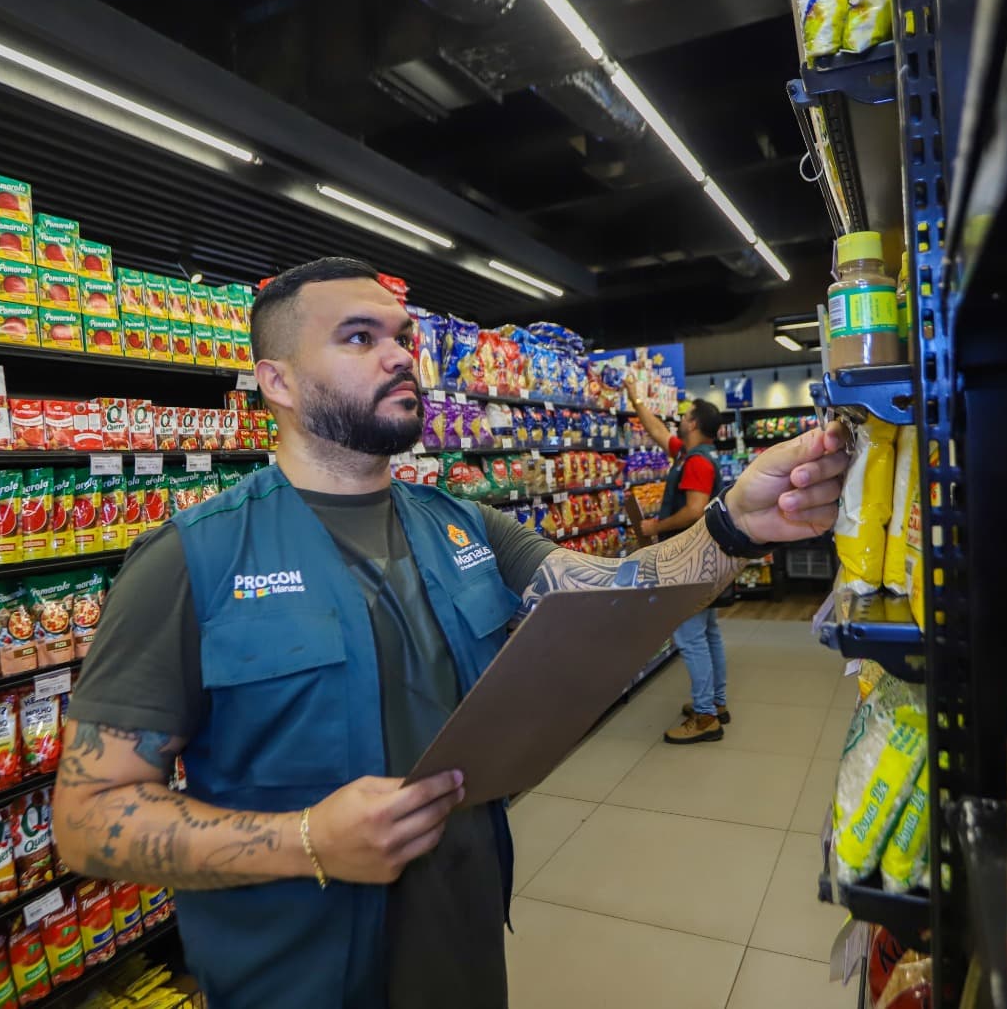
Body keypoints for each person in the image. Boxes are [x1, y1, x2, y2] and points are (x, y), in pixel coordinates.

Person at [53, 257, 848, 1009]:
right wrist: (306, 841)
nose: (401, 356)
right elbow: (88, 821)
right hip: (292, 972)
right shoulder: (191, 559)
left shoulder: (462, 524)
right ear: (278, 382)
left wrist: (735, 525)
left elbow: (613, 592)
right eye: (360, 338)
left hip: (462, 945)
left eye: (403, 337)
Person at [626, 389, 733, 744]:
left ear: (696, 424)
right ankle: (716, 703)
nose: (681, 419)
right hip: (705, 560)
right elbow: (657, 432)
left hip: (691, 562)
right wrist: (634, 399)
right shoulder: (688, 454)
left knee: (690, 638)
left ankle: (705, 718)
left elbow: (695, 509)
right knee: (709, 632)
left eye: (687, 416)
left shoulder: (699, 463)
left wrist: (655, 527)